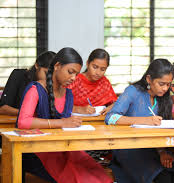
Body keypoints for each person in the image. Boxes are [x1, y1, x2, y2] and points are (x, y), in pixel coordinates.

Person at [16, 47, 112, 183]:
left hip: (62, 147)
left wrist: (74, 125)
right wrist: (63, 123)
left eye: (76, 74)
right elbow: (23, 122)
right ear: (57, 66)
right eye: (70, 72)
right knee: (80, 177)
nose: (73, 78)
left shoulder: (68, 94)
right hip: (37, 150)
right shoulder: (35, 89)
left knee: (98, 174)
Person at [105, 59, 174, 183]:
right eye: (161, 84)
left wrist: (162, 152)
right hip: (129, 149)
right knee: (162, 178)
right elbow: (110, 118)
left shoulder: (163, 99)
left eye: (168, 84)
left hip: (153, 149)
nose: (165, 88)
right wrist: (144, 120)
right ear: (149, 79)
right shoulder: (133, 92)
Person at [0, 51, 56, 115]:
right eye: (46, 73)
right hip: (15, 122)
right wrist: (30, 113)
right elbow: (3, 108)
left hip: (44, 123)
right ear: (37, 65)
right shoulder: (19, 76)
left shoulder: (54, 82)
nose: (48, 79)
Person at [68, 48, 117, 115]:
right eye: (95, 67)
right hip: (76, 120)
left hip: (100, 121)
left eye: (102, 69)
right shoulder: (75, 80)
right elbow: (59, 105)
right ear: (87, 63)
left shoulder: (104, 82)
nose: (98, 72)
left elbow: (114, 102)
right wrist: (79, 109)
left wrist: (111, 107)